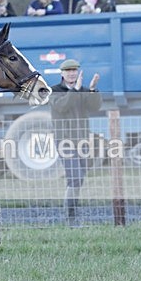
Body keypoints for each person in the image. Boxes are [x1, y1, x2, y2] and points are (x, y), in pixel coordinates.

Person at [50, 59, 101, 227]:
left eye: (74, 70)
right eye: (68, 71)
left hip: (82, 143)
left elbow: (95, 107)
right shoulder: (54, 91)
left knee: (78, 179)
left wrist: (92, 89)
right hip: (65, 143)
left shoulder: (83, 90)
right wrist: (76, 90)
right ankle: (71, 218)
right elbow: (63, 106)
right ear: (62, 73)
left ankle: (71, 212)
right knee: (75, 177)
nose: (72, 73)